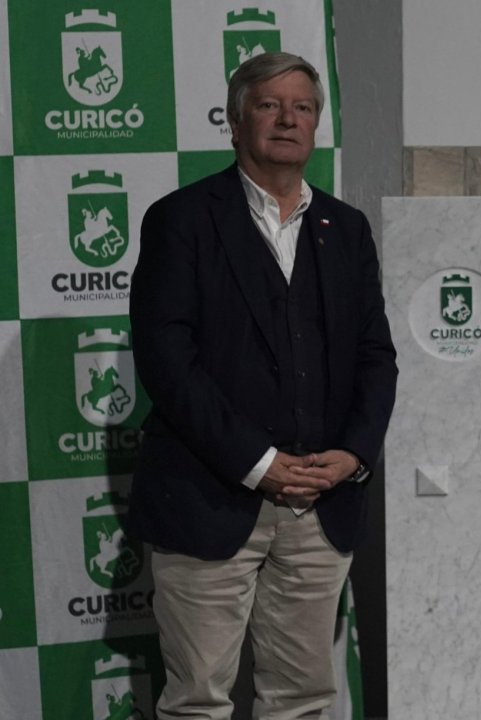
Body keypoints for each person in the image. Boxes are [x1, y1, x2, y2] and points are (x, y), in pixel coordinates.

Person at [128, 52, 397, 718]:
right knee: (197, 702)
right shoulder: (182, 219)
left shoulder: (347, 229)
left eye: (302, 107)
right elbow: (167, 362)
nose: (287, 120)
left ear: (316, 125)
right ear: (235, 120)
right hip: (207, 499)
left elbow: (376, 357)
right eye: (269, 105)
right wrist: (258, 462)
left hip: (321, 505)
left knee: (302, 699)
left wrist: (355, 454)